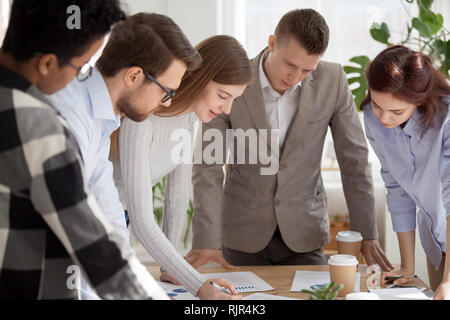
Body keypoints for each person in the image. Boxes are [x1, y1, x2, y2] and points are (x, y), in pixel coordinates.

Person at [186, 8, 393, 271]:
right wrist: (206, 240)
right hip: (240, 235)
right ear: (272, 43)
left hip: (304, 235)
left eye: (307, 70)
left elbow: (354, 159)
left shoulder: (333, 81)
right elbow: (208, 165)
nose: (295, 78)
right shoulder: (233, 80)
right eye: (290, 65)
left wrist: (366, 232)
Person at [0, 0, 168, 300]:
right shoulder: (39, 127)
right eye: (81, 68)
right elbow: (94, 246)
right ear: (47, 63)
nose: (81, 79)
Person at [47, 12, 201, 300]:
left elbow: (111, 219)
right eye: (167, 92)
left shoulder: (102, 119)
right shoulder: (70, 115)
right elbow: (70, 236)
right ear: (133, 76)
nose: (166, 103)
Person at [114, 35, 251, 300]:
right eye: (223, 96)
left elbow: (175, 198)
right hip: (96, 217)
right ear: (201, 78)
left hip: (121, 219)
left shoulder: (189, 118)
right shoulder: (143, 115)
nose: (226, 109)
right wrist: (198, 286)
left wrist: (170, 268)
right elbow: (142, 221)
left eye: (233, 99)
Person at [361, 45, 450, 300]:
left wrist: (449, 279)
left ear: (420, 99)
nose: (384, 119)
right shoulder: (372, 117)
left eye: (397, 112)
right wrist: (407, 266)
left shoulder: (447, 116)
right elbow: (397, 186)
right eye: (378, 106)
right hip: (439, 244)